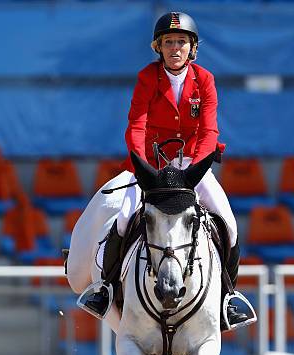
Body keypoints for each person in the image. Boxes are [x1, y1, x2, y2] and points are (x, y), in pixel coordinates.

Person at [78, 11, 255, 329]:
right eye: (169, 42)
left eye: (182, 42)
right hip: (150, 165)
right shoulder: (147, 78)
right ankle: (104, 288)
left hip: (191, 167)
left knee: (228, 223)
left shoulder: (205, 81)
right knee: (122, 220)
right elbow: (136, 127)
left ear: (192, 48)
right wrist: (144, 167)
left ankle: (229, 297)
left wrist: (195, 170)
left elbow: (209, 131)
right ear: (159, 47)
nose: (176, 48)